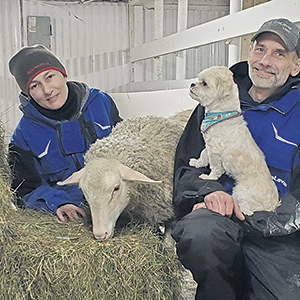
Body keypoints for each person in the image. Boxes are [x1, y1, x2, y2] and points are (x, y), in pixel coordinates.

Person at [171, 18, 300, 300]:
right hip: (221, 217)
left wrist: (275, 221)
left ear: (295, 66)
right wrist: (209, 192)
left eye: (279, 53)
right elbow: (187, 165)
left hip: (275, 228)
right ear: (250, 53)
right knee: (201, 235)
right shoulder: (213, 102)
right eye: (260, 49)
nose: (265, 61)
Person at [8, 45, 122, 222]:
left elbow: (127, 150)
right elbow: (24, 189)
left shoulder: (101, 103)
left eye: (50, 77)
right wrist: (57, 204)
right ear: (27, 93)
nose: (47, 90)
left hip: (114, 204)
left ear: (63, 73)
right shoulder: (23, 136)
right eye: (35, 85)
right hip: (74, 216)